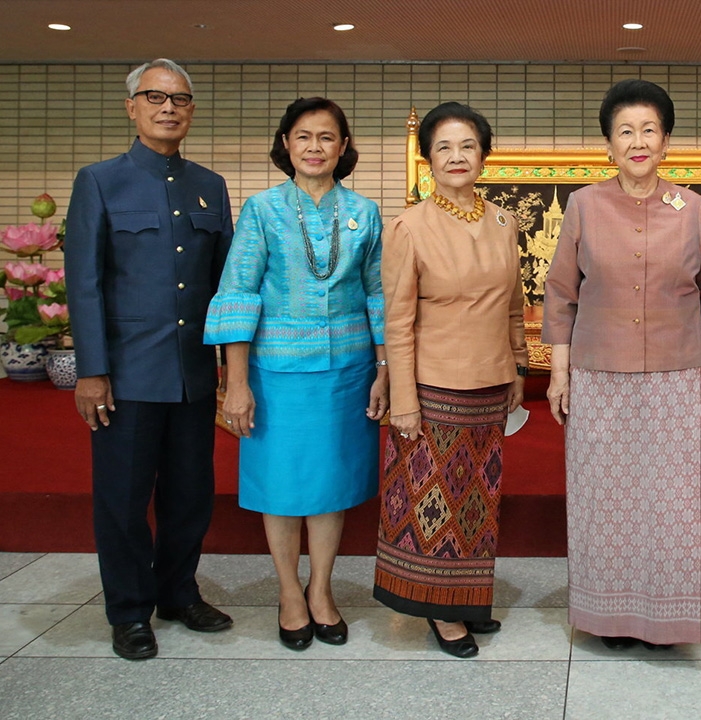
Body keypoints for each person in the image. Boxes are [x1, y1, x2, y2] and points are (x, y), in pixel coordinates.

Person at [542, 79, 701, 650]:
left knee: (670, 499)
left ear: (667, 140)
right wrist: (558, 372)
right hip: (598, 373)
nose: (638, 140)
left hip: (677, 373)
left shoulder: (692, 208)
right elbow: (560, 292)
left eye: (650, 129)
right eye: (625, 131)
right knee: (603, 497)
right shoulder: (583, 205)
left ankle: (664, 619)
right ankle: (607, 617)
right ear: (608, 144)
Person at [64, 59, 234, 660]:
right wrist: (91, 369)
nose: (169, 108)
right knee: (124, 496)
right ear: (131, 107)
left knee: (191, 493)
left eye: (181, 99)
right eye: (155, 97)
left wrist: (227, 370)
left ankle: (178, 593)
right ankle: (130, 610)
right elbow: (83, 283)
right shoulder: (100, 181)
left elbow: (223, 286)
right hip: (127, 373)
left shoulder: (209, 186)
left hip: (191, 372)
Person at [204, 97, 386, 651]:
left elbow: (380, 296)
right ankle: (288, 593)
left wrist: (384, 370)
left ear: (344, 147)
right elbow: (236, 295)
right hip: (274, 372)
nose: (314, 147)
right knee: (282, 487)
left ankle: (322, 590)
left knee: (330, 486)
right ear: (286, 145)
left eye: (326, 137)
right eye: (303, 136)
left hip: (347, 371)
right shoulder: (261, 210)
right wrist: (235, 384)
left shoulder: (366, 212)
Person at [376, 102, 527, 659]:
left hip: (491, 384)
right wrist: (403, 401)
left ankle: (467, 598)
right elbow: (398, 322)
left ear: (484, 155)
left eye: (467, 146)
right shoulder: (409, 226)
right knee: (432, 500)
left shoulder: (504, 220)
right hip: (434, 387)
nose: (457, 157)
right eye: (444, 147)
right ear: (428, 160)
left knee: (477, 500)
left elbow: (513, 304)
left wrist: (518, 365)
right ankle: (440, 611)